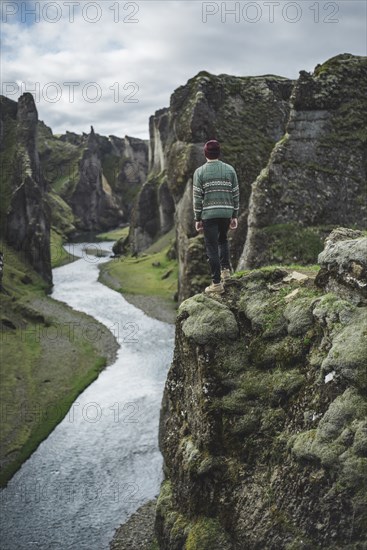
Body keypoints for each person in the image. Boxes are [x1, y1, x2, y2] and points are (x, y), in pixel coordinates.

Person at [193, 140, 239, 295]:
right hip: (226, 212)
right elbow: (235, 194)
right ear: (219, 153)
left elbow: (197, 198)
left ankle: (216, 283)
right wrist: (234, 215)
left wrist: (197, 218)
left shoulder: (199, 172)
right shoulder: (230, 170)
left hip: (209, 215)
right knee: (223, 240)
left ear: (205, 153)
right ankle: (226, 272)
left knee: (211, 246)